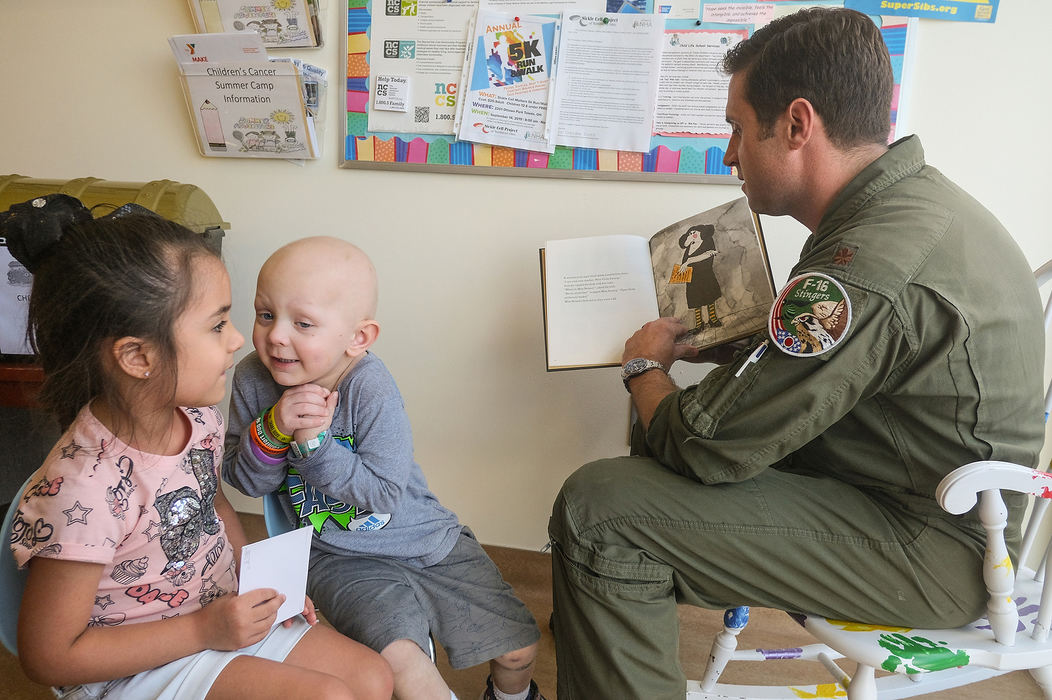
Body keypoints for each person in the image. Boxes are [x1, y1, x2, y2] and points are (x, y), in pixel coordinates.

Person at [547, 8, 1046, 699]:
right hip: (903, 485)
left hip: (932, 549)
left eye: (737, 128)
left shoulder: (866, 259)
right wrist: (741, 352)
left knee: (599, 511)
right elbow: (856, 366)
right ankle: (611, 620)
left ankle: (609, 608)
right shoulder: (903, 207)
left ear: (797, 125)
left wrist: (644, 369)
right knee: (642, 475)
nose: (729, 154)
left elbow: (706, 445)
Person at [3, 195, 393, 700]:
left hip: (214, 613)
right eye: (216, 325)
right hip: (135, 665)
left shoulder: (199, 420)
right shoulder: (83, 492)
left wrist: (263, 584)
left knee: (373, 678)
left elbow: (211, 502)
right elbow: (48, 656)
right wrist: (203, 632)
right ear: (138, 356)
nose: (238, 341)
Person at [222, 236, 544, 700]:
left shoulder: (370, 388)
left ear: (358, 338)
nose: (275, 335)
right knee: (404, 666)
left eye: (303, 323)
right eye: (265, 314)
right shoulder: (254, 377)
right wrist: (273, 428)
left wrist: (314, 446)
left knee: (518, 651)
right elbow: (245, 480)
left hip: (423, 538)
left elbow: (383, 495)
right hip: (334, 553)